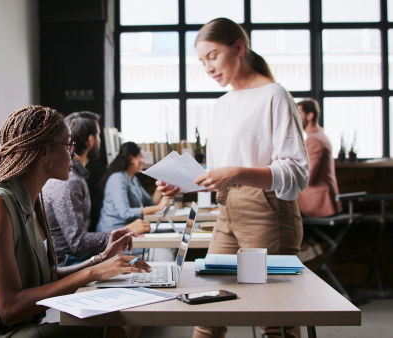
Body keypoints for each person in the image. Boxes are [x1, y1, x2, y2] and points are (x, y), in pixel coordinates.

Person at [0, 105, 151, 338]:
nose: (73, 154)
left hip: (13, 327)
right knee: (108, 326)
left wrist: (100, 260)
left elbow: (47, 277)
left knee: (112, 321)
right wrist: (92, 274)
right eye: (68, 145)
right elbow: (10, 309)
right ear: (45, 152)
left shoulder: (32, 200)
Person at [185, 18, 309, 338]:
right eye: (202, 61)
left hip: (265, 212)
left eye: (213, 55)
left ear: (238, 48)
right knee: (208, 305)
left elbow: (296, 171)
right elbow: (218, 172)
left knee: (272, 317)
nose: (208, 67)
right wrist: (184, 183)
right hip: (228, 210)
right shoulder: (222, 104)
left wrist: (239, 172)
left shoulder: (274, 95)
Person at [42, 111, 151, 267]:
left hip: (76, 259)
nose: (100, 140)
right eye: (99, 135)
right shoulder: (70, 181)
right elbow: (77, 243)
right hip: (69, 263)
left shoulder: (76, 176)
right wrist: (125, 231)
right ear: (91, 140)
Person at [296, 98, 342, 262]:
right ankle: (308, 243)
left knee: (282, 208)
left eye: (299, 113)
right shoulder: (318, 136)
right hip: (320, 198)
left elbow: (309, 176)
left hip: (317, 201)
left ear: (310, 115)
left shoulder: (314, 139)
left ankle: (305, 247)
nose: (295, 117)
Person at [97, 141, 172, 233]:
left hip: (131, 230)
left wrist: (161, 186)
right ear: (131, 158)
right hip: (114, 232)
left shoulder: (133, 179)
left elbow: (150, 202)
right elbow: (125, 213)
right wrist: (159, 207)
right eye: (141, 157)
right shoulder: (117, 178)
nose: (143, 161)